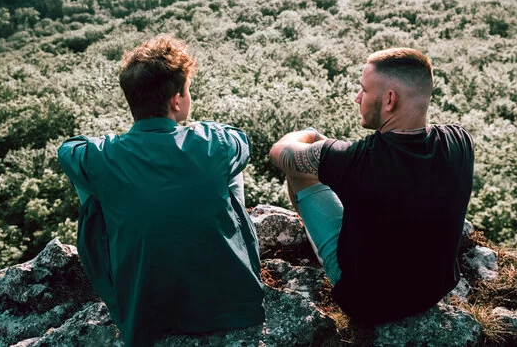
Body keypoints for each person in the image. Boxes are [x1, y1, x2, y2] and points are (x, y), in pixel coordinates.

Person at [58, 35, 264, 345]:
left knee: (97, 187)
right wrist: (197, 136)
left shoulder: (101, 156)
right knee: (226, 172)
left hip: (146, 315)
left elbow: (67, 150)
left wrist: (114, 151)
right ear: (176, 101)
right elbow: (240, 142)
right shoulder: (213, 142)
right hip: (233, 305)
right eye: (188, 91)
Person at [269, 47, 473, 324]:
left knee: (300, 172)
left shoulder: (358, 161)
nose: (357, 98)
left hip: (367, 303)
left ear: (389, 100)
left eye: (364, 90)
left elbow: (280, 152)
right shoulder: (460, 141)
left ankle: (323, 252)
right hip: (435, 289)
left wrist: (313, 135)